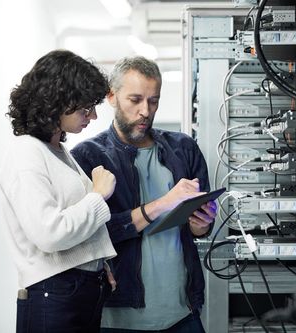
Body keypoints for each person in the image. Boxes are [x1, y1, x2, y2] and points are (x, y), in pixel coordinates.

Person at [71, 56, 217, 333]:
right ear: (111, 97)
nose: (145, 111)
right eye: (135, 100)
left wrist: (202, 225)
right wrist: (164, 203)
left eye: (153, 101)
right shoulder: (88, 156)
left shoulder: (184, 148)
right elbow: (89, 236)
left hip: (182, 312)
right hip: (119, 318)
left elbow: (201, 226)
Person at [0, 49, 118, 333]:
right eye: (84, 108)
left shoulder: (57, 150)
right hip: (54, 293)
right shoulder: (26, 153)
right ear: (55, 102)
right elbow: (49, 233)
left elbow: (73, 223)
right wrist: (98, 195)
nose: (92, 115)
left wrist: (98, 262)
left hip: (76, 288)